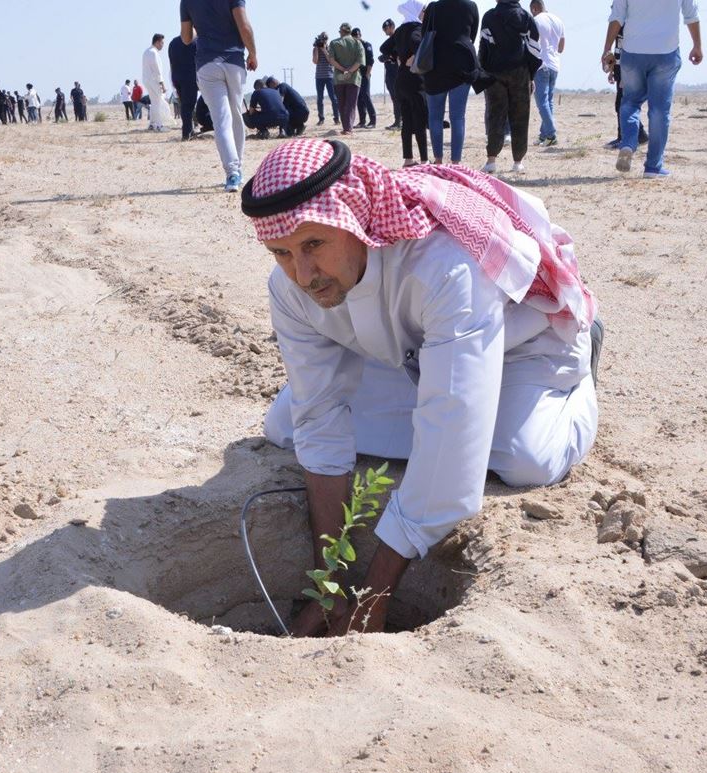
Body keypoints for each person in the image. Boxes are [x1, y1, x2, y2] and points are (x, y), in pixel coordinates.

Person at [239, 138, 600, 636]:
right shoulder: (290, 289)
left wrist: (375, 594)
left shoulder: (444, 267)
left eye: (313, 246)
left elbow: (450, 435)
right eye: (281, 252)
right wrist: (331, 588)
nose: (303, 274)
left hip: (520, 350)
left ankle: (576, 383)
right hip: (410, 356)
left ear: (354, 221)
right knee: (286, 425)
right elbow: (319, 416)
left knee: (523, 458)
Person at [603, 0, 702, 178]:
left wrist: (607, 48)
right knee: (659, 111)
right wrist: (697, 46)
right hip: (666, 51)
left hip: (633, 51)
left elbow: (617, 16)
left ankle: (628, 143)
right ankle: (653, 167)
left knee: (630, 102)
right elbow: (691, 15)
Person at [181, 0, 260, 192]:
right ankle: (237, 167)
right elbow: (244, 25)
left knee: (221, 120)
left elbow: (186, 38)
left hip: (207, 63)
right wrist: (253, 53)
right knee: (235, 114)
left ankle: (232, 172)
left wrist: (202, 25)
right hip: (234, 61)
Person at [420, 0, 488, 165]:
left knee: (435, 117)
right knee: (458, 117)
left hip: (436, 66)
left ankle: (438, 160)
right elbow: (472, 34)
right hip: (462, 64)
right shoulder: (470, 6)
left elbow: (424, 34)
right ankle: (456, 162)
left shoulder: (433, 7)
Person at [479, 0, 542, 174]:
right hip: (519, 71)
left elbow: (483, 47)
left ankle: (491, 160)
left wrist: (483, 72)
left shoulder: (489, 16)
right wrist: (531, 73)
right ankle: (518, 162)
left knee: (495, 115)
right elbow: (534, 49)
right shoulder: (525, 16)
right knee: (520, 116)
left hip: (494, 72)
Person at [382, 1, 430, 166]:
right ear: (416, 11)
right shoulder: (417, 28)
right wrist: (413, 58)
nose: (425, 12)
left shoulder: (400, 30)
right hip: (415, 81)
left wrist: (397, 57)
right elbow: (418, 45)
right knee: (420, 120)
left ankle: (408, 159)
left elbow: (384, 48)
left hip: (400, 80)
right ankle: (424, 160)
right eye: (423, 9)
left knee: (407, 121)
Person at [602, 33, 648, 149]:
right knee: (621, 105)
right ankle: (636, 135)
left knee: (622, 105)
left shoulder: (628, 25)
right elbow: (617, 51)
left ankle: (628, 137)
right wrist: (612, 71)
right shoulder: (618, 27)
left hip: (627, 70)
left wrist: (626, 74)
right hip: (619, 69)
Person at [530, 1, 564, 146]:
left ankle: (551, 133)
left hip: (541, 64)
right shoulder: (558, 20)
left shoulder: (535, 20)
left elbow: (531, 45)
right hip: (555, 65)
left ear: (534, 8)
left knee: (541, 102)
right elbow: (561, 48)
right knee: (548, 102)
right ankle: (544, 135)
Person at [328, 23, 365, 136]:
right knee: (351, 104)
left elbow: (331, 60)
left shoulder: (334, 43)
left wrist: (343, 70)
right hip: (353, 78)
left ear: (341, 31)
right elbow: (360, 61)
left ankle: (345, 127)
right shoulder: (358, 43)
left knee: (342, 103)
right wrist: (350, 71)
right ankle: (348, 128)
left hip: (339, 78)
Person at [170, 35, 201, 139]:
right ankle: (187, 133)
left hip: (177, 78)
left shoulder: (173, 42)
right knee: (189, 106)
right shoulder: (196, 41)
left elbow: (171, 62)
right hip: (189, 77)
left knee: (184, 105)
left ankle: (189, 130)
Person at [142, 34, 171, 132]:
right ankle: (159, 125)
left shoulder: (146, 52)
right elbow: (157, 70)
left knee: (154, 102)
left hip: (147, 80)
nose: (163, 45)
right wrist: (162, 84)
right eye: (162, 42)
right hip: (154, 81)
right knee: (157, 103)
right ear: (157, 42)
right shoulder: (154, 53)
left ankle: (152, 124)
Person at [312, 32, 341, 125]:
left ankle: (336, 118)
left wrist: (324, 49)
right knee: (319, 99)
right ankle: (321, 118)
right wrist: (317, 49)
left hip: (329, 76)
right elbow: (315, 61)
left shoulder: (330, 48)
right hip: (319, 77)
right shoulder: (315, 48)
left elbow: (330, 60)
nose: (323, 41)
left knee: (333, 98)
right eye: (322, 39)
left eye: (324, 39)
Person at [378, 18, 402, 129]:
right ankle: (398, 120)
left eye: (386, 29)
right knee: (394, 97)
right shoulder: (391, 41)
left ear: (392, 26)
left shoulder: (398, 38)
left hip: (396, 72)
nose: (385, 31)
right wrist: (385, 58)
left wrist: (390, 56)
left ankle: (399, 121)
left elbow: (397, 53)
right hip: (390, 72)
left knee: (397, 97)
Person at [353, 28, 378, 128]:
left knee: (366, 96)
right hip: (357, 75)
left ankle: (373, 121)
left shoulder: (367, 45)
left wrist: (368, 73)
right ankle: (362, 121)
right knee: (359, 98)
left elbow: (371, 60)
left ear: (360, 35)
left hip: (365, 74)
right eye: (354, 37)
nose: (356, 38)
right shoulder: (355, 47)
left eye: (357, 36)